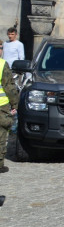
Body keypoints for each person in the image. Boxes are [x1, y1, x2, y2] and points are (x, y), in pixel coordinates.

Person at [0, 47, 19, 176]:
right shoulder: (2, 64)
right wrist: (15, 104)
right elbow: (9, 87)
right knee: (1, 135)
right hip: (1, 106)